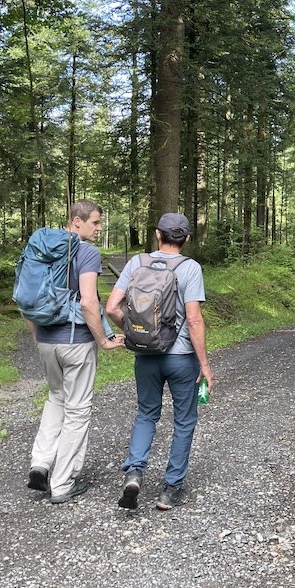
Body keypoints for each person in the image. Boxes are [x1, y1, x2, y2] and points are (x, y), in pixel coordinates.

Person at [106, 212, 214, 511]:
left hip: (146, 356)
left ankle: (135, 472)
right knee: (184, 420)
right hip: (181, 358)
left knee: (146, 414)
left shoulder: (136, 263)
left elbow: (112, 307)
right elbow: (193, 319)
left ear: (157, 234)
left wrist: (131, 332)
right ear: (187, 238)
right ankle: (170, 488)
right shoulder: (190, 268)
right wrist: (204, 364)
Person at [23, 200, 124, 504]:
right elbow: (89, 303)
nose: (99, 228)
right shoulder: (86, 252)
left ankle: (40, 464)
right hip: (76, 341)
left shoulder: (40, 251)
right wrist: (104, 341)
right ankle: (62, 482)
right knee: (78, 410)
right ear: (76, 221)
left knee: (56, 398)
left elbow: (25, 298)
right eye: (94, 222)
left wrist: (37, 336)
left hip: (46, 340)